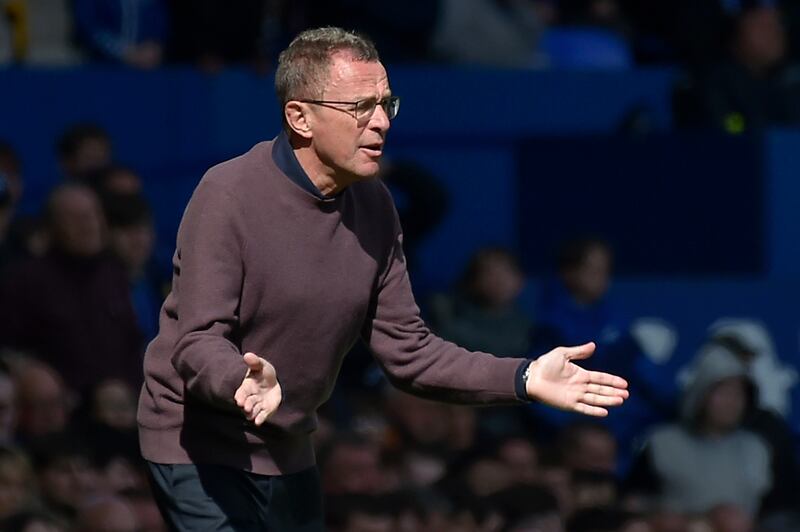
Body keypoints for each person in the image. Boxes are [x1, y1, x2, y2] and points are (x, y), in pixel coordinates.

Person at [137, 26, 629, 531]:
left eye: (386, 104)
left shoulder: (375, 205)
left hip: (288, 445)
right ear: (299, 117)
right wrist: (239, 379)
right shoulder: (228, 193)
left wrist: (523, 377)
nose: (380, 123)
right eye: (359, 108)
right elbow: (197, 340)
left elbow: (409, 352)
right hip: (195, 444)